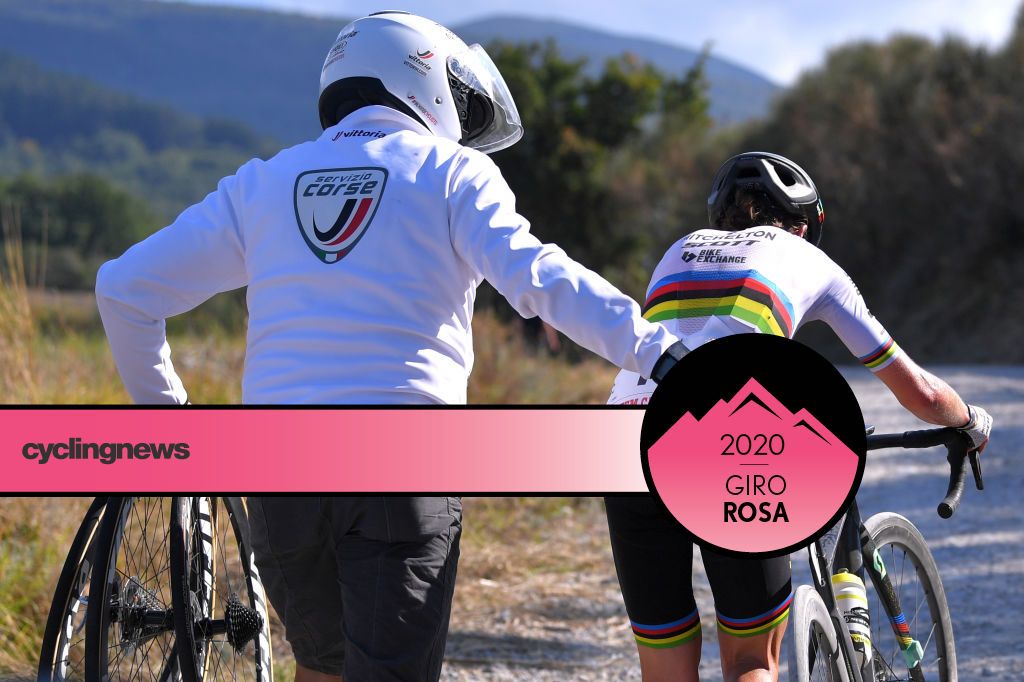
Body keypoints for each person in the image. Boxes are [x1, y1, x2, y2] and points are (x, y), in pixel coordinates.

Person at [95, 11, 687, 682]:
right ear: (426, 78)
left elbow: (123, 290)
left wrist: (171, 424)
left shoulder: (262, 182)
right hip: (400, 459)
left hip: (276, 467)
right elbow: (541, 278)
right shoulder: (453, 172)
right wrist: (659, 353)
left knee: (321, 667)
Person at [604, 151, 992, 682]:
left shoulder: (679, 249)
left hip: (624, 442)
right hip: (728, 439)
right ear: (805, 225)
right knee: (748, 663)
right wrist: (970, 421)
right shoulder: (808, 259)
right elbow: (920, 392)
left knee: (666, 669)